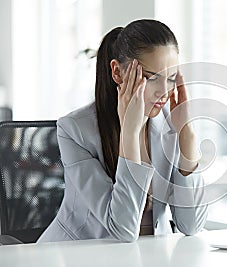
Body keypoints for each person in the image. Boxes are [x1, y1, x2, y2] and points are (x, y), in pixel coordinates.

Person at [37, 19, 208, 242]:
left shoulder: (170, 124)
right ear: (117, 72)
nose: (164, 92)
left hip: (148, 256)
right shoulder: (75, 130)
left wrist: (187, 134)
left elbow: (192, 225)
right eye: (151, 78)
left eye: (171, 78)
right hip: (78, 255)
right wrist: (130, 133)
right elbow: (122, 231)